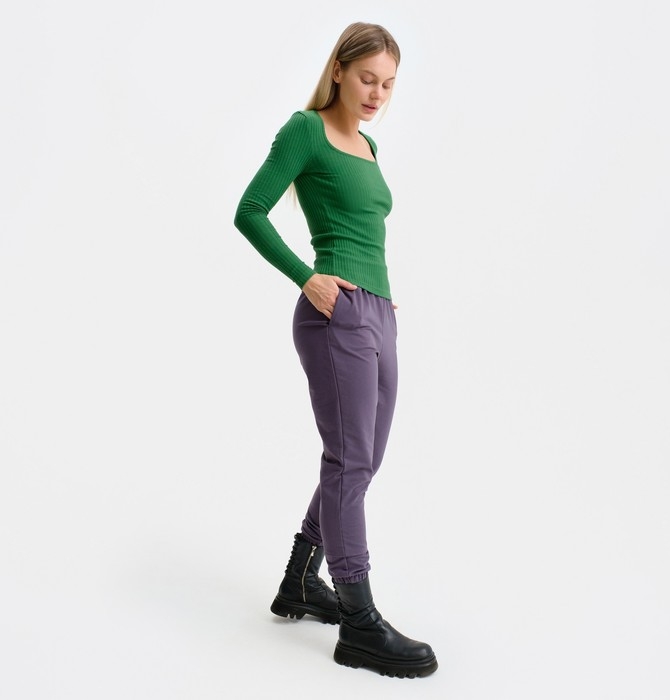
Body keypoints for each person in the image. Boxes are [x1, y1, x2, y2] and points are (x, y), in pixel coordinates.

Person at [234, 21, 438, 679]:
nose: (377, 93)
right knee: (349, 463)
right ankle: (359, 619)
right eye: (367, 78)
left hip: (378, 312)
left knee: (363, 460)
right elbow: (250, 210)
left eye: (388, 84)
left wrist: (379, 301)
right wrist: (308, 277)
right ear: (340, 70)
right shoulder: (306, 130)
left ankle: (300, 580)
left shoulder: (369, 144)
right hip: (335, 314)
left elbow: (365, 231)